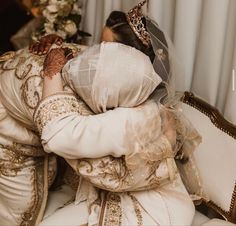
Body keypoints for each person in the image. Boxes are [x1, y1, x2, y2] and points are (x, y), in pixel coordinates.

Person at [0, 1, 202, 225]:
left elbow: (58, 135)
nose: (95, 54)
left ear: (131, 58)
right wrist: (53, 46)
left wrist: (52, 71)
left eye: (107, 47)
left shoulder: (136, 116)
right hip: (112, 192)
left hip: (150, 205)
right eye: (98, 45)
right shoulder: (128, 91)